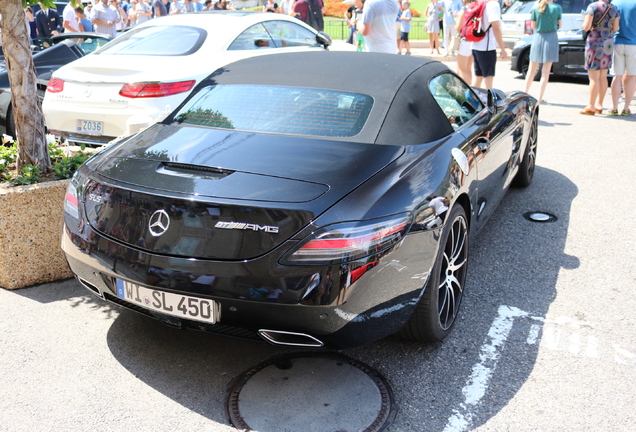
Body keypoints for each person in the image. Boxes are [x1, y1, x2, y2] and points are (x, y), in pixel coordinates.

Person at [580, 0, 619, 115]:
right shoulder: (614, 8)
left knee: (593, 77)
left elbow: (586, 27)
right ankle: (599, 105)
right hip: (607, 43)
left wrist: (587, 24)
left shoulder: (592, 7)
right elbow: (615, 29)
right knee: (603, 77)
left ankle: (590, 106)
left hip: (594, 43)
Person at [524, 0, 562, 105]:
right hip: (551, 38)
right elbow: (560, 25)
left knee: (531, 70)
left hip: (538, 37)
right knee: (545, 72)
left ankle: (524, 94)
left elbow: (533, 26)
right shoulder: (557, 8)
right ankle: (540, 98)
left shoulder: (536, 7)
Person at [471, 0, 508, 89]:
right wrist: (503, 49)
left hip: (475, 45)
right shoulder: (493, 5)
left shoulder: (480, 2)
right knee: (488, 80)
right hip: (486, 48)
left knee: (478, 78)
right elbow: (496, 28)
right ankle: (486, 102)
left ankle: (468, 101)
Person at [609, 0, 635, 116]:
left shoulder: (615, 2)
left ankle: (614, 107)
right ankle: (626, 108)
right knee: (631, 76)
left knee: (617, 76)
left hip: (617, 42)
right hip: (634, 44)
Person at [455, 0, 475, 83]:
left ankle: (466, 91)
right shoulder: (477, 7)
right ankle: (470, 88)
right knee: (468, 69)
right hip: (475, 41)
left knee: (461, 69)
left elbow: (458, 27)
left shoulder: (464, 9)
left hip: (465, 41)